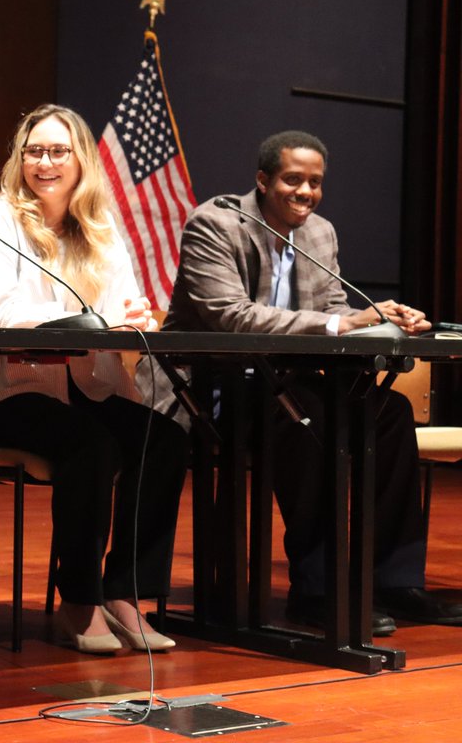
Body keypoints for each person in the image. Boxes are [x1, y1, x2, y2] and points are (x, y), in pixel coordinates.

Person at [139, 129, 462, 632]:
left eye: (315, 182)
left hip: (289, 381)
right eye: (293, 180)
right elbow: (231, 316)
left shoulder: (320, 233)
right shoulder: (216, 224)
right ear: (263, 180)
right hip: (213, 388)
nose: (305, 193)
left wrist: (380, 318)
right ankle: (317, 589)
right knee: (303, 415)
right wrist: (342, 323)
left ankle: (395, 583)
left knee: (389, 414)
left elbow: (332, 311)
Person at [0, 103, 188, 654]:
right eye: (35, 151)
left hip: (86, 387)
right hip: (0, 394)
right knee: (92, 444)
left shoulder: (100, 228)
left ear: (81, 161)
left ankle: (126, 592)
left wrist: (135, 317)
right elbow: (7, 317)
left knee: (165, 439)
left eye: (59, 151)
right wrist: (98, 323)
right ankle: (79, 601)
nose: (45, 162)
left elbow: (125, 305)